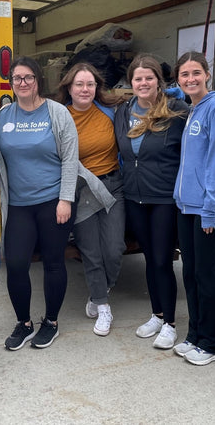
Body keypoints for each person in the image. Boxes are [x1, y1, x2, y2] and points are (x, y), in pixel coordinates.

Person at [0, 56, 78, 350]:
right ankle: (24, 323)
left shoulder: (57, 113)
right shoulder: (2, 117)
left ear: (38, 80)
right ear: (12, 83)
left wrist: (66, 199)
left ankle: (51, 322)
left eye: (28, 77)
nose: (23, 83)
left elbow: (70, 158)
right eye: (17, 78)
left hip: (53, 202)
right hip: (18, 205)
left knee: (54, 262)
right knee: (15, 264)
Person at [114, 54, 189, 349]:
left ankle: (170, 323)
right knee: (148, 258)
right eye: (137, 78)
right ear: (130, 83)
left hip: (164, 198)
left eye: (149, 78)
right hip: (134, 196)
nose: (143, 83)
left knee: (162, 259)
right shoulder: (124, 111)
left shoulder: (177, 110)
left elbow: (196, 145)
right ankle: (157, 314)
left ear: (159, 81)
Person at [172, 51, 215, 366]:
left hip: (210, 208)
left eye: (196, 73)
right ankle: (195, 335)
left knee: (207, 275)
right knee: (192, 274)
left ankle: (214, 343)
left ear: (207, 74)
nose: (191, 79)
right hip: (187, 206)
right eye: (184, 75)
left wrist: (210, 208)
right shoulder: (193, 109)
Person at [56, 63, 126, 337]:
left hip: (112, 187)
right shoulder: (61, 116)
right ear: (69, 88)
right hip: (81, 190)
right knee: (91, 252)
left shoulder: (110, 113)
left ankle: (100, 288)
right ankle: (103, 304)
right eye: (79, 84)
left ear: (97, 88)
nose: (85, 89)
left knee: (114, 248)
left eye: (90, 84)